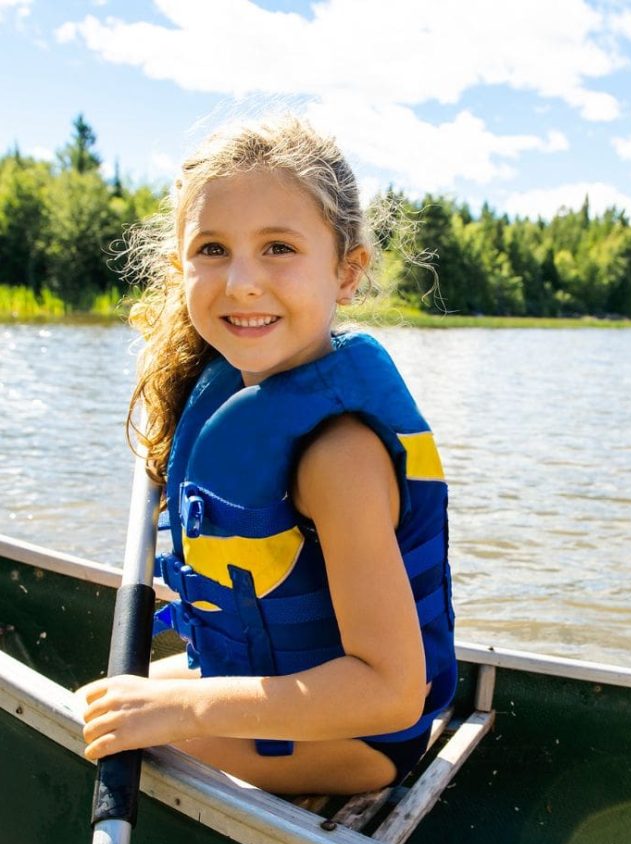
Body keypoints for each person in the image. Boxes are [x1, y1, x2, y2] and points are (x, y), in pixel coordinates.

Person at [79, 116, 456, 796]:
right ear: (180, 268)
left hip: (360, 737)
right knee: (94, 703)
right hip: (285, 692)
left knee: (96, 733)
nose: (242, 282)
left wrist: (186, 708)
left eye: (278, 247)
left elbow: (394, 692)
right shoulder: (230, 397)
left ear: (347, 272)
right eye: (213, 249)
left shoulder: (339, 456)